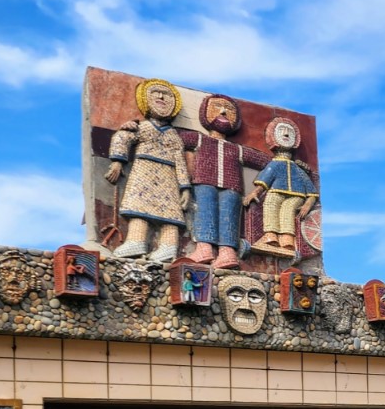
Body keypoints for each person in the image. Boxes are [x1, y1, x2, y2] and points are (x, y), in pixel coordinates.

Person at [178, 94, 271, 269]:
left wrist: (260, 186)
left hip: (232, 186)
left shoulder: (237, 149)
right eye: (217, 107)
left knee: (228, 217)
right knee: (205, 212)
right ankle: (204, 248)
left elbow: (266, 162)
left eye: (229, 109)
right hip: (204, 181)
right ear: (206, 112)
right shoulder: (199, 139)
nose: (222, 111)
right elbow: (175, 138)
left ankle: (227, 252)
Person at [105, 78, 191, 262]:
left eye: (166, 95)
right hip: (143, 171)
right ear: (146, 100)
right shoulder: (142, 127)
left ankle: (169, 247)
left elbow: (180, 161)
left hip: (168, 176)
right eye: (156, 93)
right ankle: (136, 241)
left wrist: (185, 187)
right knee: (138, 208)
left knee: (170, 215)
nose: (161, 96)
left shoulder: (174, 136)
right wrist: (118, 161)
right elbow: (122, 138)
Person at [244, 117, 318, 257]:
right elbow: (265, 179)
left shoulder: (296, 168)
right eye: (282, 131)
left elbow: (312, 192)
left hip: (297, 195)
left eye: (289, 132)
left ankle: (285, 239)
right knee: (273, 205)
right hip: (280, 192)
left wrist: (307, 205)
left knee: (285, 209)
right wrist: (255, 192)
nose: (285, 134)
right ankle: (274, 237)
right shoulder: (276, 164)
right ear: (274, 137)